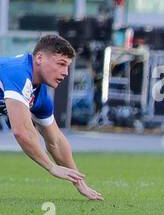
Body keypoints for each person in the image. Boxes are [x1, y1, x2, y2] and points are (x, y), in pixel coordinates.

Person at [0, 34, 101, 201]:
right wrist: (51, 167)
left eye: (67, 66)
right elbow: (22, 132)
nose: (65, 73)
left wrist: (79, 182)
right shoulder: (18, 72)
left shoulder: (40, 96)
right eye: (61, 64)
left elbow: (55, 141)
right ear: (39, 57)